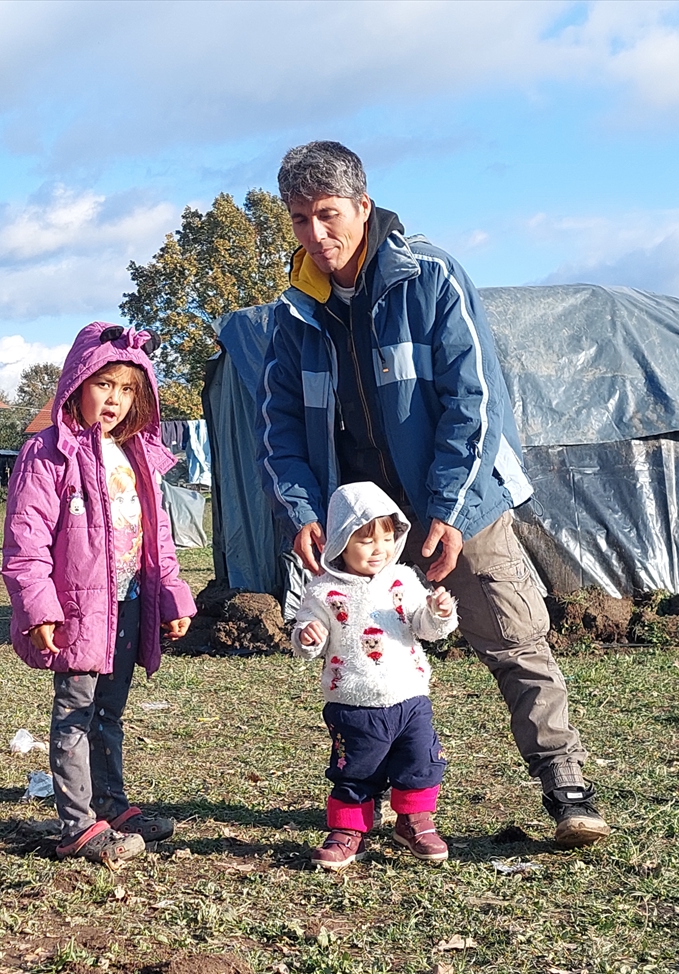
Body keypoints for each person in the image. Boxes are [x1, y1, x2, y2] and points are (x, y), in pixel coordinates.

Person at [258, 141, 609, 849]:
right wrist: (302, 511)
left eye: (329, 215)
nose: (316, 235)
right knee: (364, 650)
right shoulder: (296, 312)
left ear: (363, 205)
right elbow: (280, 426)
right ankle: (385, 797)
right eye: (299, 220)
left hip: (463, 500)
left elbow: (474, 404)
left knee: (511, 638)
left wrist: (446, 509)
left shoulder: (432, 277)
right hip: (364, 523)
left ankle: (565, 785)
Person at [2, 323, 196, 866]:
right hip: (77, 609)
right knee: (76, 714)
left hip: (131, 601)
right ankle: (78, 826)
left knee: (110, 713)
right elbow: (26, 538)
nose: (114, 399)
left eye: (128, 389)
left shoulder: (137, 457)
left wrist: (174, 595)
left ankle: (111, 804)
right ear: (78, 382)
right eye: (104, 384)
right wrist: (38, 605)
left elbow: (159, 539)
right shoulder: (48, 453)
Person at [292, 481, 458, 870]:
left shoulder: (403, 580)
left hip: (409, 697)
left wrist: (438, 613)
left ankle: (414, 821)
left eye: (386, 538)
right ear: (340, 543)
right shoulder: (324, 591)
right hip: (353, 703)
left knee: (420, 761)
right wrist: (308, 636)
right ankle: (348, 830)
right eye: (366, 541)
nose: (378, 549)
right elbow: (305, 638)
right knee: (355, 769)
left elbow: (426, 627)